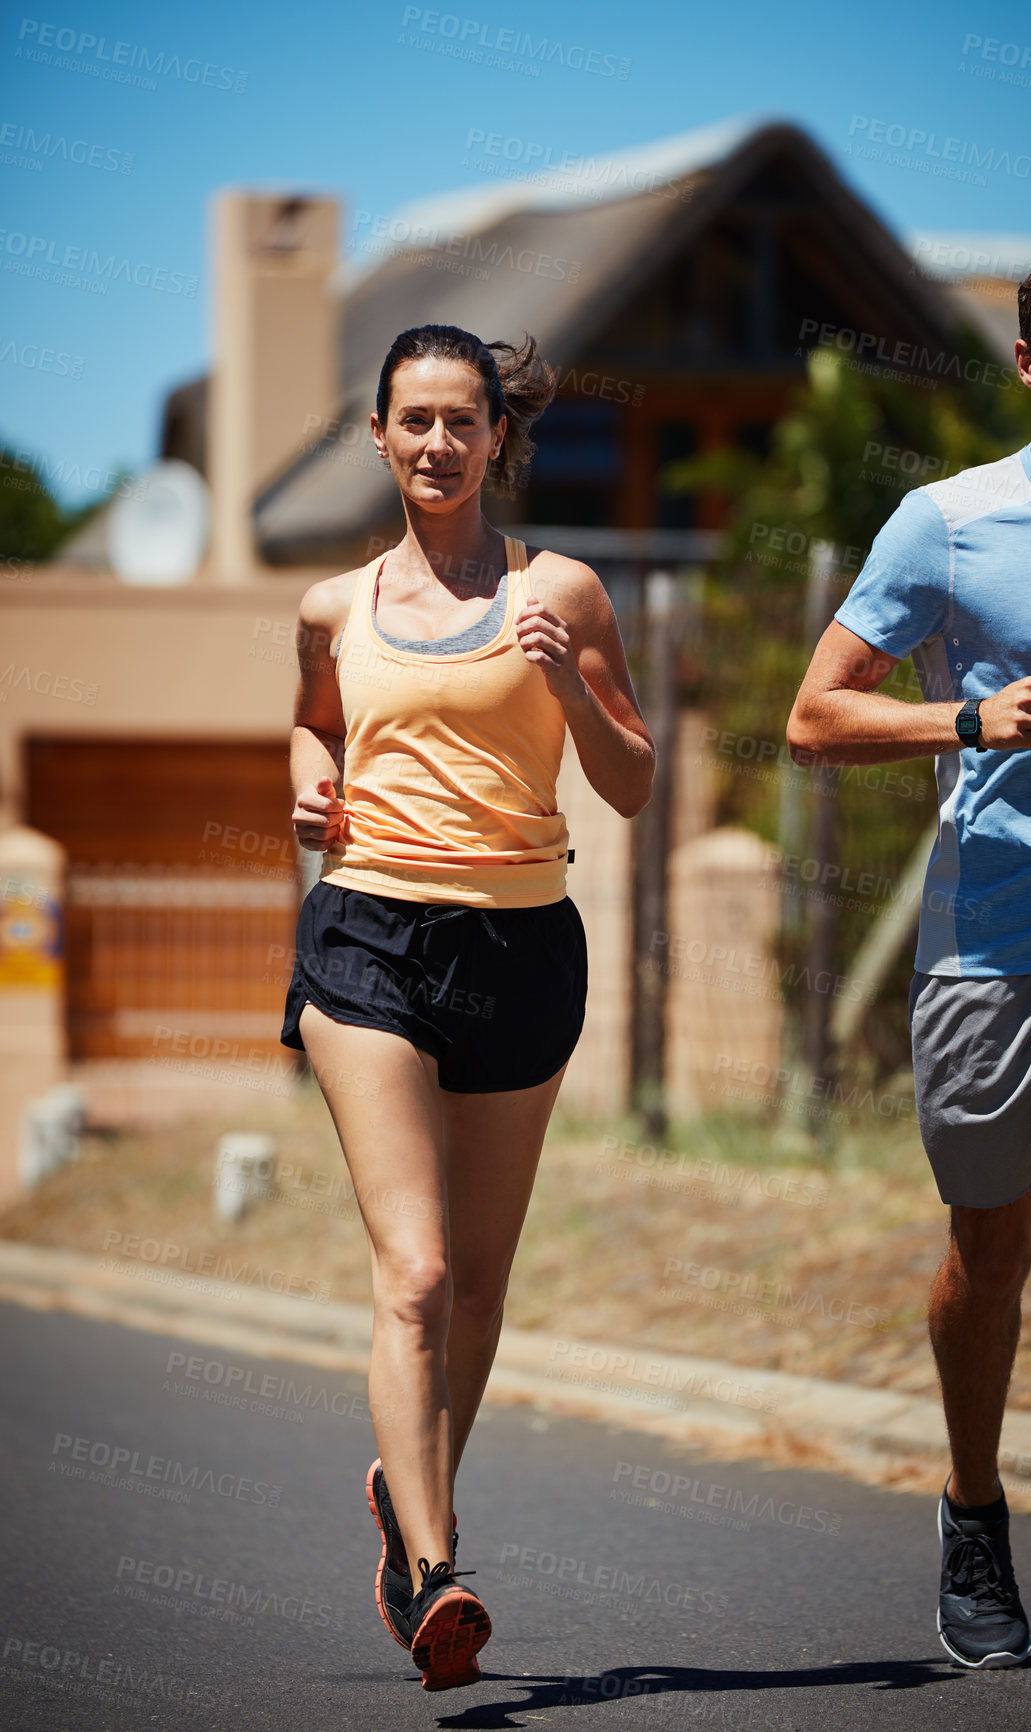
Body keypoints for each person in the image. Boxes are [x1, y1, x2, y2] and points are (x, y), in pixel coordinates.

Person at [787, 234, 1031, 1675]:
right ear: (1025, 366)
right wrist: (964, 723)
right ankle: (973, 1506)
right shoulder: (943, 525)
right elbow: (816, 714)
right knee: (988, 1257)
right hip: (989, 959)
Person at [280, 324, 654, 1691]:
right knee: (420, 1272)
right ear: (377, 438)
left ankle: (405, 1491)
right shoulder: (333, 606)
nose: (436, 442)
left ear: (498, 435)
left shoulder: (565, 590)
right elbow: (315, 719)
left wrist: (561, 676)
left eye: (461, 419)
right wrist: (306, 780)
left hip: (520, 946)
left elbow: (630, 782)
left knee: (484, 1287)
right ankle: (439, 1571)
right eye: (412, 421)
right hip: (368, 935)